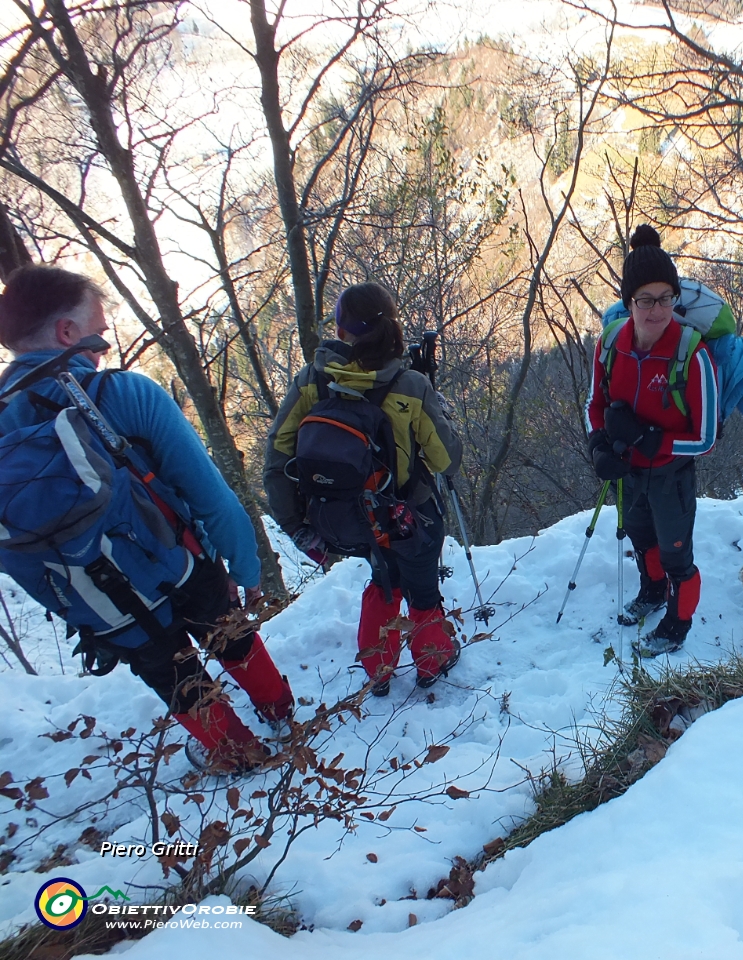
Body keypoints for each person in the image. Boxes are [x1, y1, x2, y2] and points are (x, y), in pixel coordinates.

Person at [0, 265, 292, 774]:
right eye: (100, 335)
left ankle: (237, 754)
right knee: (230, 634)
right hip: (182, 565)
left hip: (103, 603)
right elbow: (214, 501)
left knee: (172, 675)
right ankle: (280, 710)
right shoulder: (123, 395)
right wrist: (246, 574)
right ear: (68, 333)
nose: (101, 347)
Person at [263, 281, 462, 696]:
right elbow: (446, 458)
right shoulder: (409, 385)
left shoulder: (311, 382)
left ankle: (378, 668)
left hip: (347, 519)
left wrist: (296, 525)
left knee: (382, 580)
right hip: (410, 515)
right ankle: (432, 660)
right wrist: (438, 407)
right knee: (421, 585)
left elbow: (278, 454)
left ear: (341, 331)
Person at [586, 225, 719, 657]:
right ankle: (652, 591)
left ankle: (677, 625)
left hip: (670, 475)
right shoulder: (609, 345)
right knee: (641, 540)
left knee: (676, 555)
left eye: (666, 297)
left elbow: (705, 437)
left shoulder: (692, 355)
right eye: (646, 299)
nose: (657, 309)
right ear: (629, 302)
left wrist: (649, 441)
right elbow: (595, 404)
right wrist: (599, 447)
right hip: (628, 472)